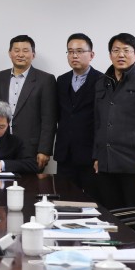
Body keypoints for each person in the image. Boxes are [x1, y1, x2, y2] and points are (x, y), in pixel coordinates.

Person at [94, 33, 135, 242]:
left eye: (126, 50)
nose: (120, 55)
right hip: (106, 161)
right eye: (116, 50)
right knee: (109, 215)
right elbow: (97, 122)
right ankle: (113, 253)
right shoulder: (101, 83)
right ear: (110, 55)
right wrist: (96, 155)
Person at [0, 35, 56, 172]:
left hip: (31, 149)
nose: (20, 54)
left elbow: (49, 119)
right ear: (10, 53)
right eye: (16, 50)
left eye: (25, 50)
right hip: (2, 145)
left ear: (33, 54)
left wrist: (44, 150)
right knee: (0, 183)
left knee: (30, 184)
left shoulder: (45, 80)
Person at [54, 33, 102, 197]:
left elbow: (103, 120)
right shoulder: (61, 80)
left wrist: (99, 154)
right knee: (63, 200)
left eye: (80, 51)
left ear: (91, 55)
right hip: (65, 153)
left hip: (90, 155)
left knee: (91, 202)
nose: (74, 55)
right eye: (70, 51)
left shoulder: (102, 81)